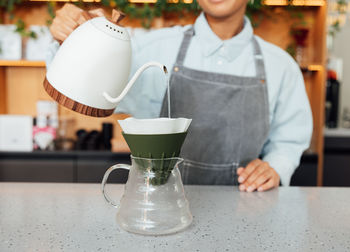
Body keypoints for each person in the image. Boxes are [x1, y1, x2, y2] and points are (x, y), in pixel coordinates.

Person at [48, 0, 312, 192]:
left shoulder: (281, 66)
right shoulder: (150, 49)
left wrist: (275, 167)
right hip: (159, 208)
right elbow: (85, 86)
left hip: (247, 208)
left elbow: (288, 140)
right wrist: (70, 37)